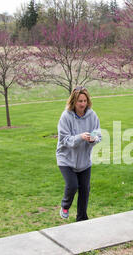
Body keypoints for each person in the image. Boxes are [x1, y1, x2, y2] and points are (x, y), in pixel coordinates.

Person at [56, 86, 101, 221]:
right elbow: (64, 140)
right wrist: (80, 137)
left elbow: (98, 133)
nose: (82, 104)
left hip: (84, 161)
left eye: (85, 101)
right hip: (66, 159)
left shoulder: (92, 115)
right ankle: (65, 206)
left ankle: (82, 218)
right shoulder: (66, 116)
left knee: (85, 190)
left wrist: (93, 139)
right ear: (73, 102)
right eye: (79, 101)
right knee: (73, 185)